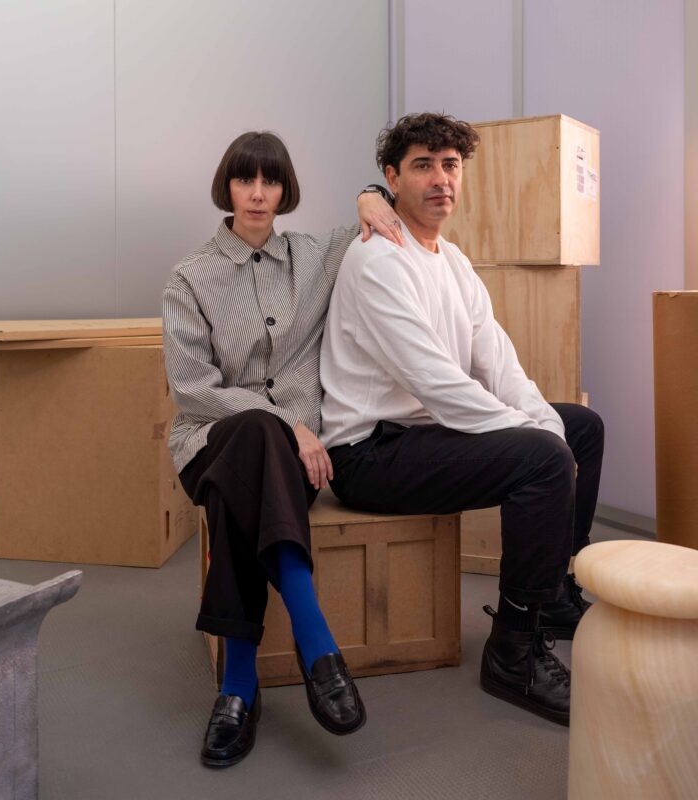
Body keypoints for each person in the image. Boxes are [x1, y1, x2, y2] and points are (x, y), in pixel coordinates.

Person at [319, 113, 604, 727]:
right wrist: (537, 440)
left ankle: (551, 595)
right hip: (369, 453)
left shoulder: (452, 261)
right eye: (423, 165)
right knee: (544, 456)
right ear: (392, 179)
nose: (441, 179)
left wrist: (547, 426)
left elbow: (499, 364)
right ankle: (514, 650)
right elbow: (440, 386)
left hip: (424, 434)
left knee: (579, 426)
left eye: (451, 165)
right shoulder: (378, 261)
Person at [163, 130, 403, 767]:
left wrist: (369, 193)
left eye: (270, 181)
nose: (258, 194)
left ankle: (239, 686)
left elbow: (373, 212)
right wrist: (290, 423)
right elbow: (191, 388)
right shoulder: (190, 276)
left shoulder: (313, 255)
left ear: (285, 190)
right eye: (246, 180)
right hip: (214, 441)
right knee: (256, 436)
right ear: (229, 187)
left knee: (236, 495)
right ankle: (314, 635)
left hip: (284, 465)